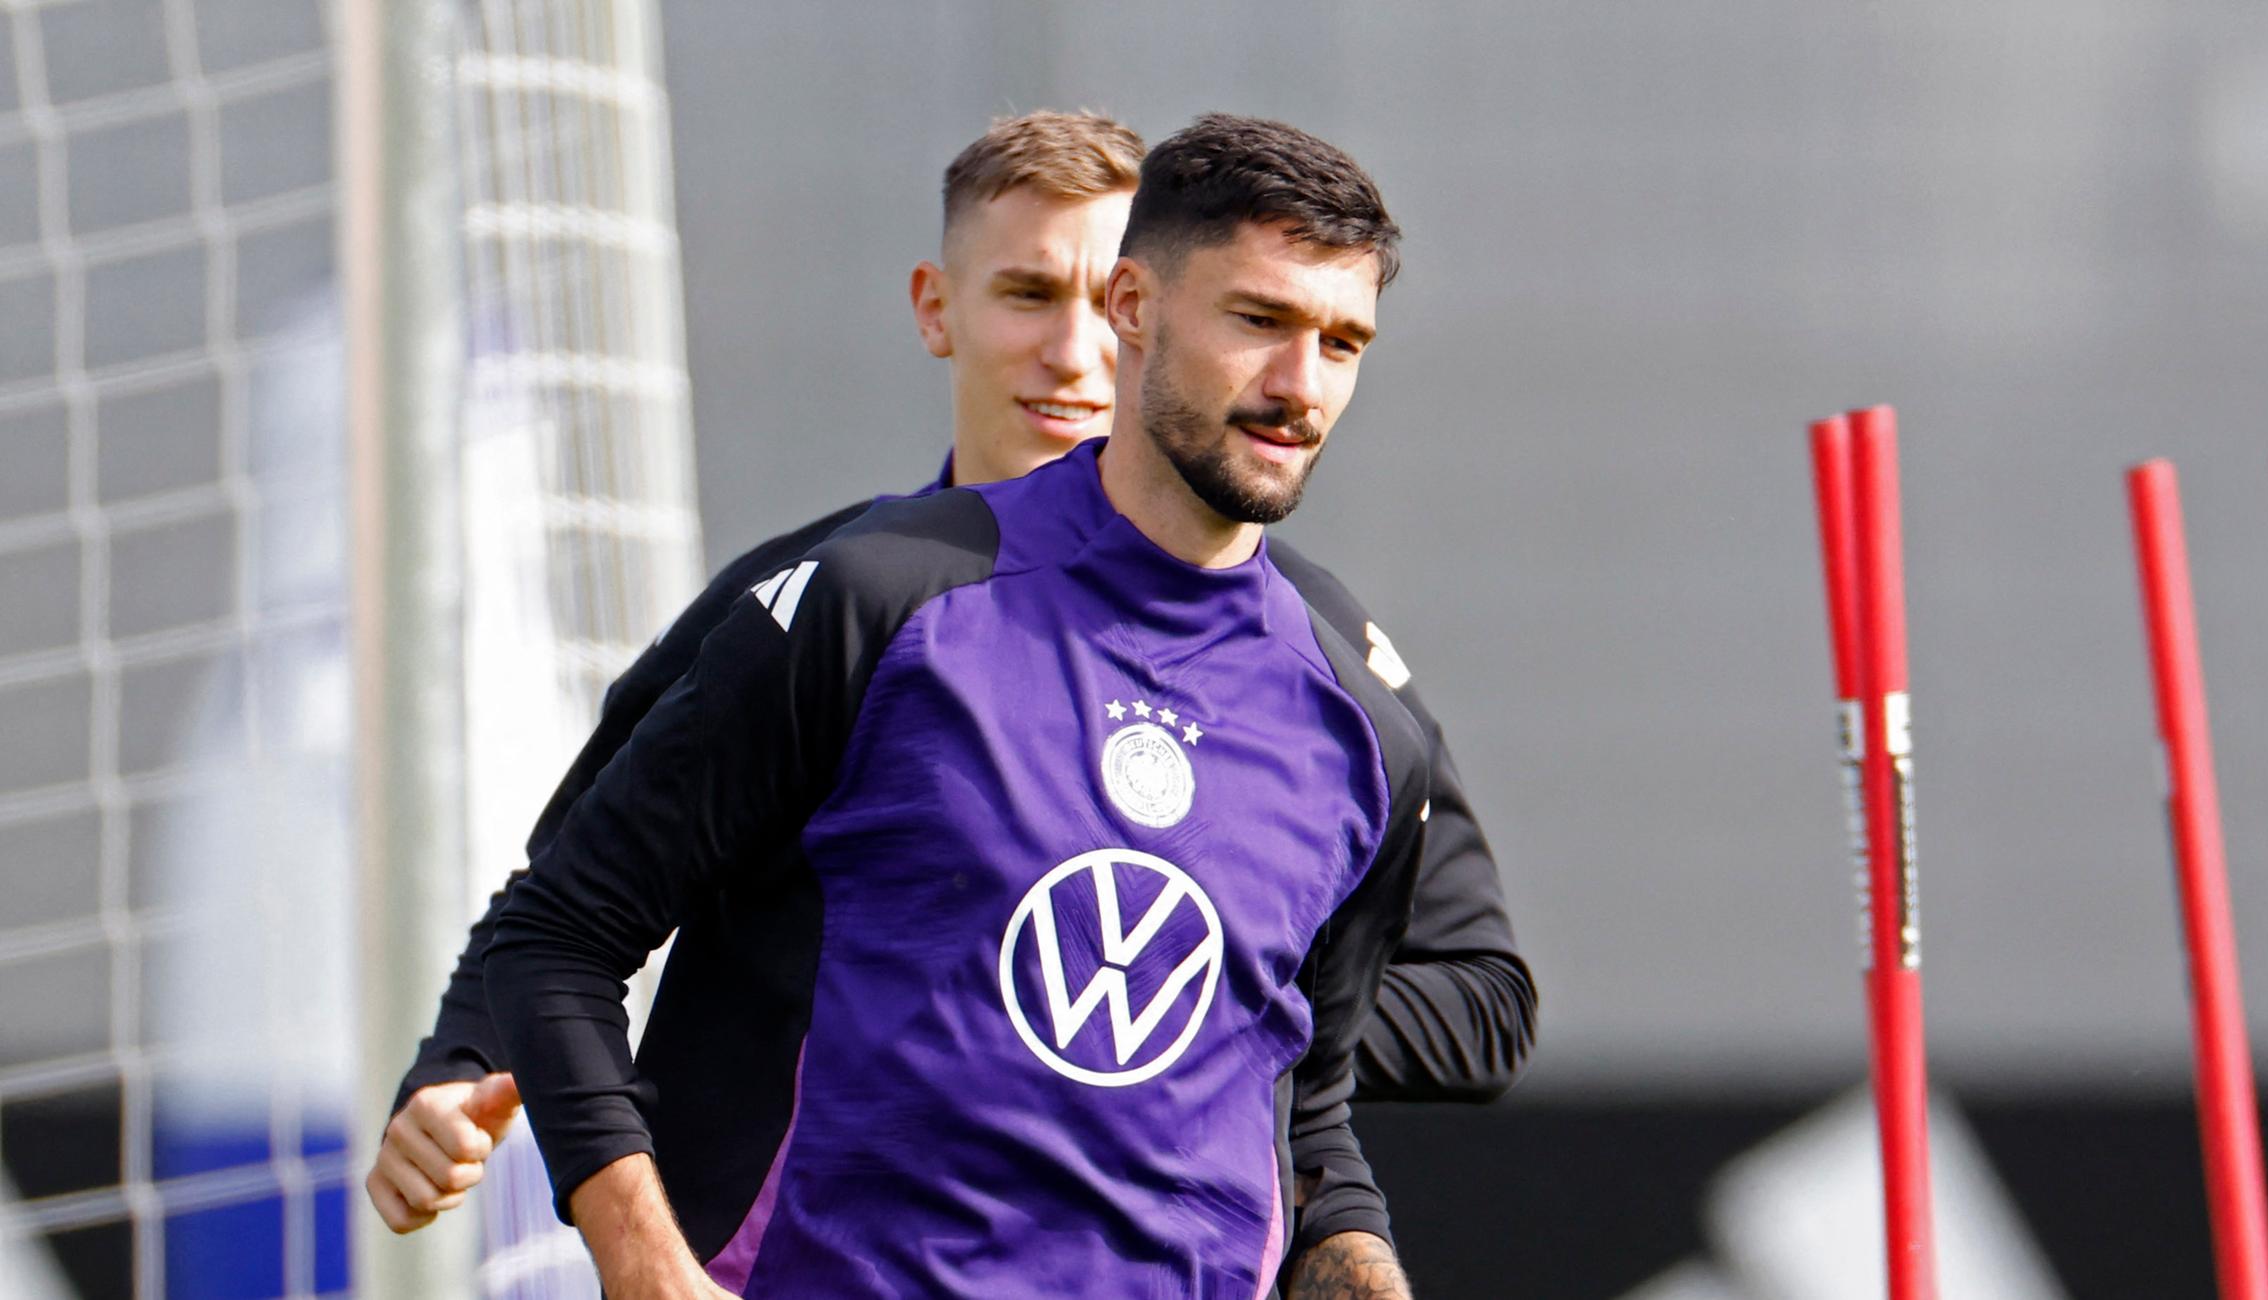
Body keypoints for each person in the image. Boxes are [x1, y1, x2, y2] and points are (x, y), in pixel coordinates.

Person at [369, 112, 1532, 1289]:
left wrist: (1197, 1041)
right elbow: (566, 905)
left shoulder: (1345, 697)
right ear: (944, 308)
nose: (1072, 351)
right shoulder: (848, 598)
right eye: (1030, 294)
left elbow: (1406, 1041)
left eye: (1341, 341)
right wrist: (474, 1068)